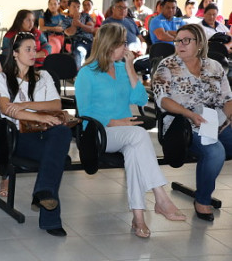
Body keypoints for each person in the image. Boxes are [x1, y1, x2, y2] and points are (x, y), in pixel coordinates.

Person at [75, 23, 184, 238]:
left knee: (136, 150)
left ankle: (139, 218)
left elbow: (141, 99)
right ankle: (160, 196)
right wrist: (115, 123)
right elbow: (85, 113)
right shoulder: (86, 73)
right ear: (109, 45)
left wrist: (130, 68)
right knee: (138, 134)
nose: (126, 47)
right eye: (122, 43)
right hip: (98, 132)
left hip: (125, 133)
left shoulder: (122, 69)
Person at [0, 33, 72, 237]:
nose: (33, 53)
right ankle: (50, 217)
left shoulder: (43, 76)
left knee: (62, 132)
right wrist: (40, 116)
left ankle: (43, 192)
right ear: (16, 53)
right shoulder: (2, 78)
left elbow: (56, 105)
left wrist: (26, 104)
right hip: (19, 136)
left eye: (34, 49)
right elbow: (7, 109)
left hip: (46, 133)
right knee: (56, 156)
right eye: (27, 49)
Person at [153, 24, 232, 222]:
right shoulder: (167, 66)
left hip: (216, 122)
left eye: (186, 40)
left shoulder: (214, 66)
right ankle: (202, 200)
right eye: (178, 40)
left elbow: (227, 99)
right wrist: (189, 114)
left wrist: (226, 116)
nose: (180, 44)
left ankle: (207, 170)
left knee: (217, 146)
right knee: (215, 151)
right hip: (182, 125)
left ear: (199, 44)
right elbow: (162, 100)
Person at [64, 0, 95, 67]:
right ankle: (79, 74)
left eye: (78, 7)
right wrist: (75, 20)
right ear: (68, 7)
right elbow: (70, 32)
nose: (76, 9)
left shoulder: (86, 16)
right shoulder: (66, 20)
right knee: (80, 52)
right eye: (74, 7)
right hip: (77, 42)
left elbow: (91, 29)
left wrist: (80, 25)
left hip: (90, 41)